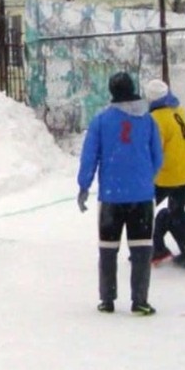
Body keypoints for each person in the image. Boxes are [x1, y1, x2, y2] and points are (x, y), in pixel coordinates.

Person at [77, 72, 163, 315]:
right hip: (141, 197)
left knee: (108, 249)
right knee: (141, 250)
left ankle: (107, 299)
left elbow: (89, 156)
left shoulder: (101, 120)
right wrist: (144, 178)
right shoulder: (148, 120)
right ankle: (140, 301)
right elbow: (158, 157)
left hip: (111, 197)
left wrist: (84, 185)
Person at [145, 79, 185, 265]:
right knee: (177, 212)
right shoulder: (178, 110)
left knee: (142, 211)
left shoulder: (156, 119)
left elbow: (155, 150)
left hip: (167, 176)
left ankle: (155, 249)